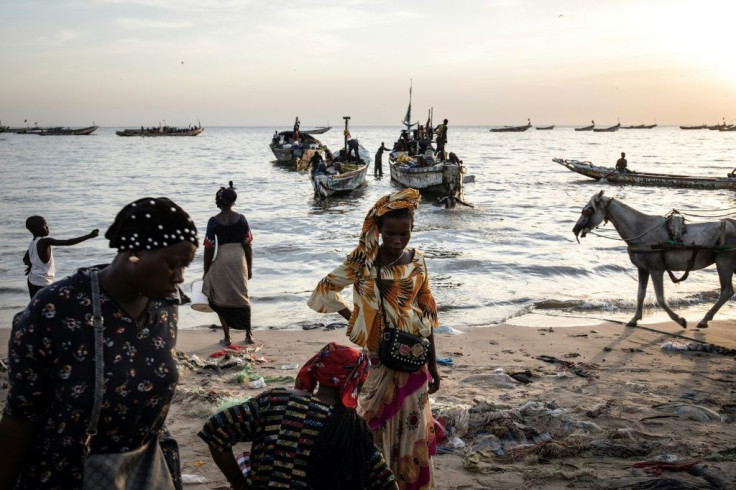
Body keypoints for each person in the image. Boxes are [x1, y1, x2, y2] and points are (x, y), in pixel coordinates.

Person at [0, 197, 198, 490]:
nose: (179, 278)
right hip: (68, 476)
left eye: (186, 266)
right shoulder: (55, 309)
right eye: (173, 264)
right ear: (133, 252)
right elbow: (20, 418)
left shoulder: (166, 304)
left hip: (148, 470)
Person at [307, 189, 440, 489]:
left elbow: (427, 314)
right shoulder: (363, 260)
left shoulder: (418, 260)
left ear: (412, 230)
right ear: (378, 230)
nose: (397, 241)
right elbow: (324, 290)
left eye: (404, 234)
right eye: (390, 234)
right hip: (379, 362)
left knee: (412, 429)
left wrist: (434, 366)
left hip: (414, 363)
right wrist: (358, 320)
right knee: (372, 429)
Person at [199, 343, 398, 490]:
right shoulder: (354, 428)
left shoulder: (275, 400)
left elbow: (215, 429)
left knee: (247, 460)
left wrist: (238, 483)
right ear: (355, 382)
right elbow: (385, 481)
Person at [202, 182, 254, 346]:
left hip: (222, 258)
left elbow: (209, 248)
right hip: (239, 258)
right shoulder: (242, 219)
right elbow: (247, 244)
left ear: (219, 202)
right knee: (242, 294)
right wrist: (250, 267)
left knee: (220, 297)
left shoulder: (213, 221)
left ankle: (227, 337)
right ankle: (248, 334)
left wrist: (206, 270)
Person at [23, 216, 99, 298]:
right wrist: (89, 236)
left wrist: (32, 265)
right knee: (47, 305)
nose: (47, 227)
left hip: (32, 280)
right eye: (45, 225)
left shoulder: (32, 243)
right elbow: (68, 242)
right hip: (43, 283)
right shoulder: (44, 241)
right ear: (37, 229)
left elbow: (25, 259)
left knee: (36, 304)